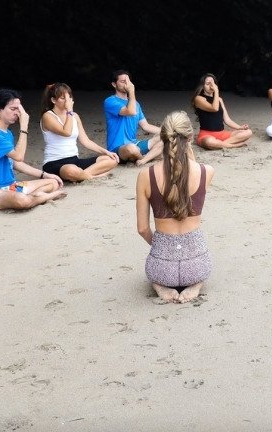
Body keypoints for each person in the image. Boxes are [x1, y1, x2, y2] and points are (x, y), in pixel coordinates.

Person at [137, 111, 215, 303]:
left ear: (162, 138)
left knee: (157, 271)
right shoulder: (207, 172)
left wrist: (164, 247)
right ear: (190, 138)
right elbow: (189, 172)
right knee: (199, 270)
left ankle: (161, 287)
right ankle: (195, 285)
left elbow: (142, 229)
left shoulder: (146, 176)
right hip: (197, 266)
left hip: (162, 268)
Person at [0, 89, 66, 210]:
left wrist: (44, 174)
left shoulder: (8, 134)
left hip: (11, 186)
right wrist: (24, 126)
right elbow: (19, 156)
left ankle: (35, 197)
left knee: (53, 182)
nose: (17, 113)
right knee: (22, 201)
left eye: (19, 109)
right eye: (13, 109)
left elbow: (16, 163)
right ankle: (44, 197)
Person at [40, 82, 119, 182]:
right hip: (54, 163)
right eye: (63, 98)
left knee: (112, 160)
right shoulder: (48, 116)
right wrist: (69, 111)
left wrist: (107, 152)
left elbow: (85, 141)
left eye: (69, 98)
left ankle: (81, 176)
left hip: (74, 160)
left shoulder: (74, 116)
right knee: (70, 170)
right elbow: (67, 132)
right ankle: (92, 176)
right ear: (53, 100)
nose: (67, 101)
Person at [104, 70, 163, 166]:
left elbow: (146, 126)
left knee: (165, 137)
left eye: (128, 81)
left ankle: (142, 159)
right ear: (114, 84)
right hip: (118, 149)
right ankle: (147, 157)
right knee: (131, 149)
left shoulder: (136, 104)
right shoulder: (110, 101)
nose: (127, 84)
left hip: (136, 144)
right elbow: (130, 112)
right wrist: (131, 91)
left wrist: (168, 132)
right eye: (123, 81)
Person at [192, 73, 252, 150]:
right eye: (208, 84)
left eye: (213, 83)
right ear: (202, 86)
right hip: (206, 135)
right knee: (209, 142)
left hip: (222, 134)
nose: (211, 86)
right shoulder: (199, 99)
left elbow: (227, 120)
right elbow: (214, 108)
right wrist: (216, 91)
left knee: (248, 132)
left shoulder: (219, 100)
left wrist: (240, 127)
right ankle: (233, 145)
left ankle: (222, 144)